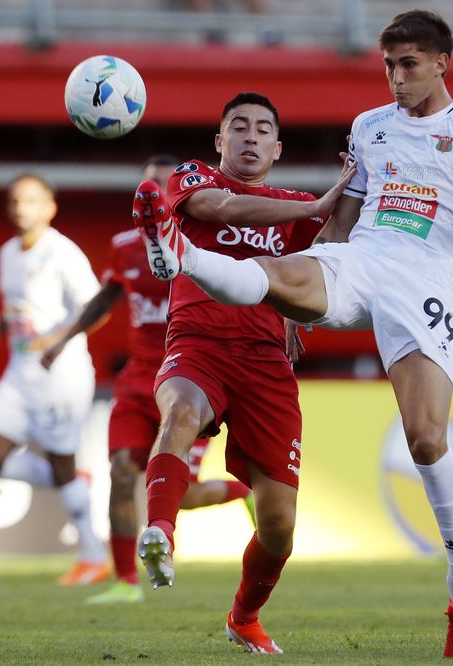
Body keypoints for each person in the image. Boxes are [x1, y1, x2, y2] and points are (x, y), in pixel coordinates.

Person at [133, 10, 453, 659]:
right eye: (388, 65)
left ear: (442, 62)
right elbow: (342, 218)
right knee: (270, 273)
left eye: (408, 64)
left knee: (426, 437)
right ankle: (179, 255)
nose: (396, 78)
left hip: (426, 283)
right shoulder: (370, 127)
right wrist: (301, 295)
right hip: (360, 261)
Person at [131, 91, 354, 654]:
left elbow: (329, 252)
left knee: (279, 525)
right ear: (219, 140)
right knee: (180, 411)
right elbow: (220, 209)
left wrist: (354, 185)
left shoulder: (293, 204)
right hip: (199, 343)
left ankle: (243, 617)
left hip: (265, 364)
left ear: (277, 148)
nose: (250, 137)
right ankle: (159, 532)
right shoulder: (192, 178)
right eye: (239, 127)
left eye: (262, 130)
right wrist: (312, 208)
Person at [40, 155, 256, 604]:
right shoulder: (125, 245)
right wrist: (63, 340)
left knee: (186, 496)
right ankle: (125, 584)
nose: (154, 195)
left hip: (189, 380)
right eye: (147, 188)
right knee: (121, 473)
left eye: (163, 186)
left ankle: (242, 492)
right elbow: (105, 299)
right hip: (138, 379)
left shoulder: (206, 244)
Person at [0, 174, 109, 585]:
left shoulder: (63, 253)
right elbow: (16, 306)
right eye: (15, 200)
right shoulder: (7, 253)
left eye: (30, 200)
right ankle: (67, 479)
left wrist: (55, 340)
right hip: (18, 376)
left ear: (50, 207)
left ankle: (92, 555)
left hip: (60, 375)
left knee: (61, 460)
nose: (20, 207)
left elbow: (97, 309)